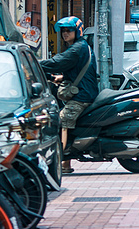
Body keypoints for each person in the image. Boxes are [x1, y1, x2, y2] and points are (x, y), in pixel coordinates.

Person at [40, 16, 98, 174]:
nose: (65, 33)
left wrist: (33, 63)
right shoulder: (80, 46)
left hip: (82, 95)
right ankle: (66, 163)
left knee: (61, 121)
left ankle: (60, 161)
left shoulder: (76, 49)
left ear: (77, 31)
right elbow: (75, 70)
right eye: (63, 31)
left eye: (69, 30)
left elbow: (57, 62)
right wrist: (60, 78)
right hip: (84, 91)